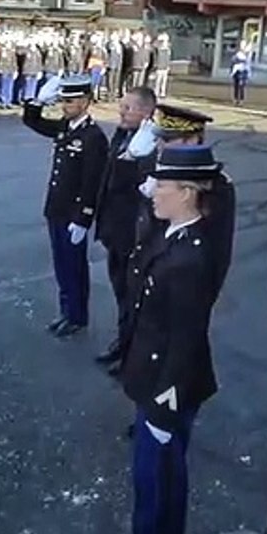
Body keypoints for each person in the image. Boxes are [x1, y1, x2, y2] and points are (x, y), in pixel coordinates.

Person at [120, 145, 224, 534]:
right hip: (152, 371)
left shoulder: (190, 259)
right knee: (160, 479)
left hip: (167, 384)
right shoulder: (171, 233)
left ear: (186, 192)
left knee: (155, 484)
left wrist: (165, 406)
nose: (152, 190)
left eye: (161, 184)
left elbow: (186, 338)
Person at [22, 74, 109, 337]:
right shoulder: (65, 127)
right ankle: (66, 311)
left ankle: (77, 316)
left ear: (85, 101)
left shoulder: (93, 137)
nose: (65, 106)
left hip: (73, 214)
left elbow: (92, 181)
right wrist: (37, 101)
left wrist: (83, 218)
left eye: (70, 101)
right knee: (61, 264)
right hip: (56, 209)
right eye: (63, 100)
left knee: (75, 267)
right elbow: (32, 121)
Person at [137, 104, 236, 305]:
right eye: (159, 138)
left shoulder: (216, 186)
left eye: (167, 139)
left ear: (192, 139)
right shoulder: (154, 166)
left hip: (179, 281)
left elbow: (217, 249)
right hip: (145, 267)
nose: (159, 145)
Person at [94, 86, 158, 376]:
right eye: (122, 107)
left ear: (146, 113)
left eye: (128, 108)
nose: (121, 112)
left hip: (135, 235)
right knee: (121, 294)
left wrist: (133, 159)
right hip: (115, 231)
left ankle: (132, 355)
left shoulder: (150, 146)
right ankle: (123, 342)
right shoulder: (124, 134)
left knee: (135, 298)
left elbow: (139, 190)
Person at [153, 33, 172, 99]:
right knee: (158, 81)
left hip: (165, 67)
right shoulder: (158, 48)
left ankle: (162, 93)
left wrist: (168, 66)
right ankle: (156, 92)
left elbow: (168, 58)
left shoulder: (168, 49)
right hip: (159, 66)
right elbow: (156, 56)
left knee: (164, 81)